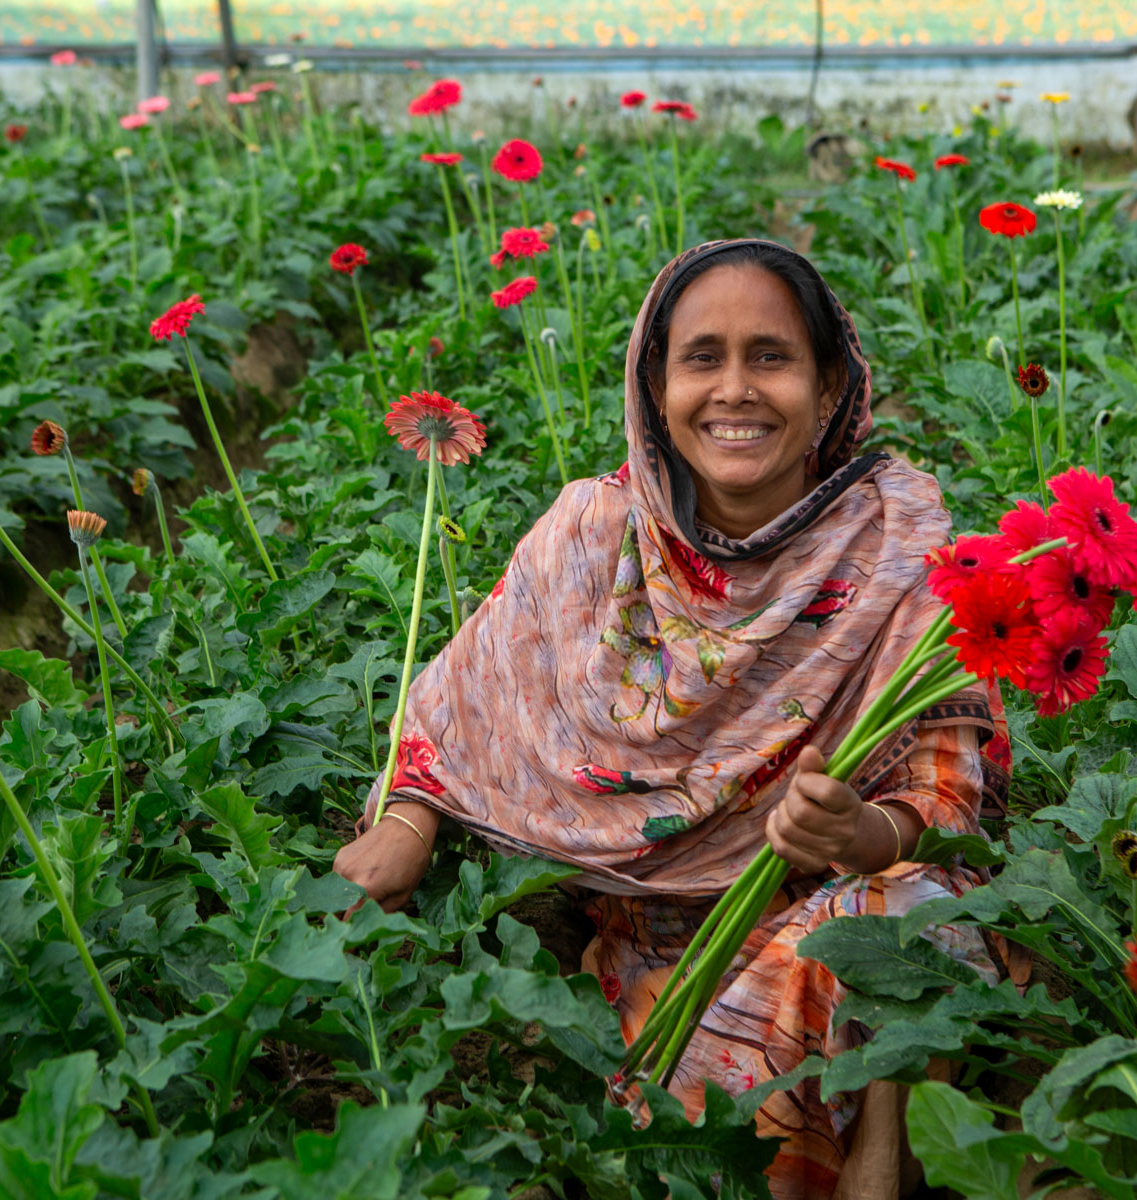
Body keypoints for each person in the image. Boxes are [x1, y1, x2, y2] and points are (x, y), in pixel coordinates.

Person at [333, 238, 1009, 1200]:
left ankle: (882, 1172)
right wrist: (407, 824)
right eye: (703, 358)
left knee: (906, 919)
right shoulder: (593, 532)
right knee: (691, 1144)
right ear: (656, 389)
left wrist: (859, 832)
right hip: (663, 952)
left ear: (829, 391)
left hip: (833, 905)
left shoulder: (900, 540)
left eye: (770, 357)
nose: (735, 389)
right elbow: (462, 703)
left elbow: (944, 797)